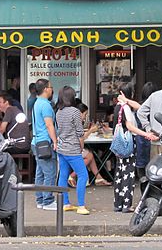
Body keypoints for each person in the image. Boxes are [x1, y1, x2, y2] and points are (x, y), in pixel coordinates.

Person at [115, 82, 158, 213]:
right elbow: (130, 126)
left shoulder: (118, 107)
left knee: (120, 173)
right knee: (128, 174)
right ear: (131, 93)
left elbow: (140, 107)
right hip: (129, 142)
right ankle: (127, 204)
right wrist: (146, 134)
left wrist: (126, 100)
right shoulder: (126, 109)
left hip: (120, 143)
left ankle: (118, 203)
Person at [55, 86, 92, 215]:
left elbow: (59, 130)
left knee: (63, 175)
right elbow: (80, 132)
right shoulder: (75, 112)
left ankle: (65, 203)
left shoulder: (59, 111)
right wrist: (81, 146)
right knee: (83, 175)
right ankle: (81, 205)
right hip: (73, 149)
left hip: (61, 148)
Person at [67, 102, 110, 187]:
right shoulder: (76, 122)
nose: (85, 117)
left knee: (90, 154)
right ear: (79, 113)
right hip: (72, 148)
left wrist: (88, 130)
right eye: (85, 114)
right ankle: (72, 176)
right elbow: (80, 138)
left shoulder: (73, 120)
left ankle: (98, 178)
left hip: (71, 146)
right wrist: (90, 131)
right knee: (89, 155)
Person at [31, 78, 58, 211]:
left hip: (36, 142)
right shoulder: (46, 105)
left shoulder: (36, 103)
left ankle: (40, 199)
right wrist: (55, 141)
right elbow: (49, 125)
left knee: (40, 173)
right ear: (46, 89)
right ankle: (48, 200)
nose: (52, 90)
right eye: (51, 87)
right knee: (50, 172)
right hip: (45, 142)